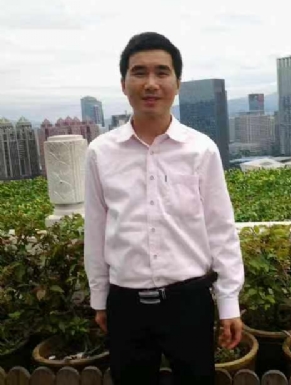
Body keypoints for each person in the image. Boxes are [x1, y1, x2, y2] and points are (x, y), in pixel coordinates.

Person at [84, 32, 244, 385]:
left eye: (162, 72)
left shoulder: (201, 150)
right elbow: (95, 230)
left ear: (177, 84)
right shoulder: (100, 153)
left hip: (189, 301)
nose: (151, 83)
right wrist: (100, 298)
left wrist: (228, 302)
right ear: (124, 84)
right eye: (139, 72)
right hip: (125, 304)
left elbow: (220, 229)